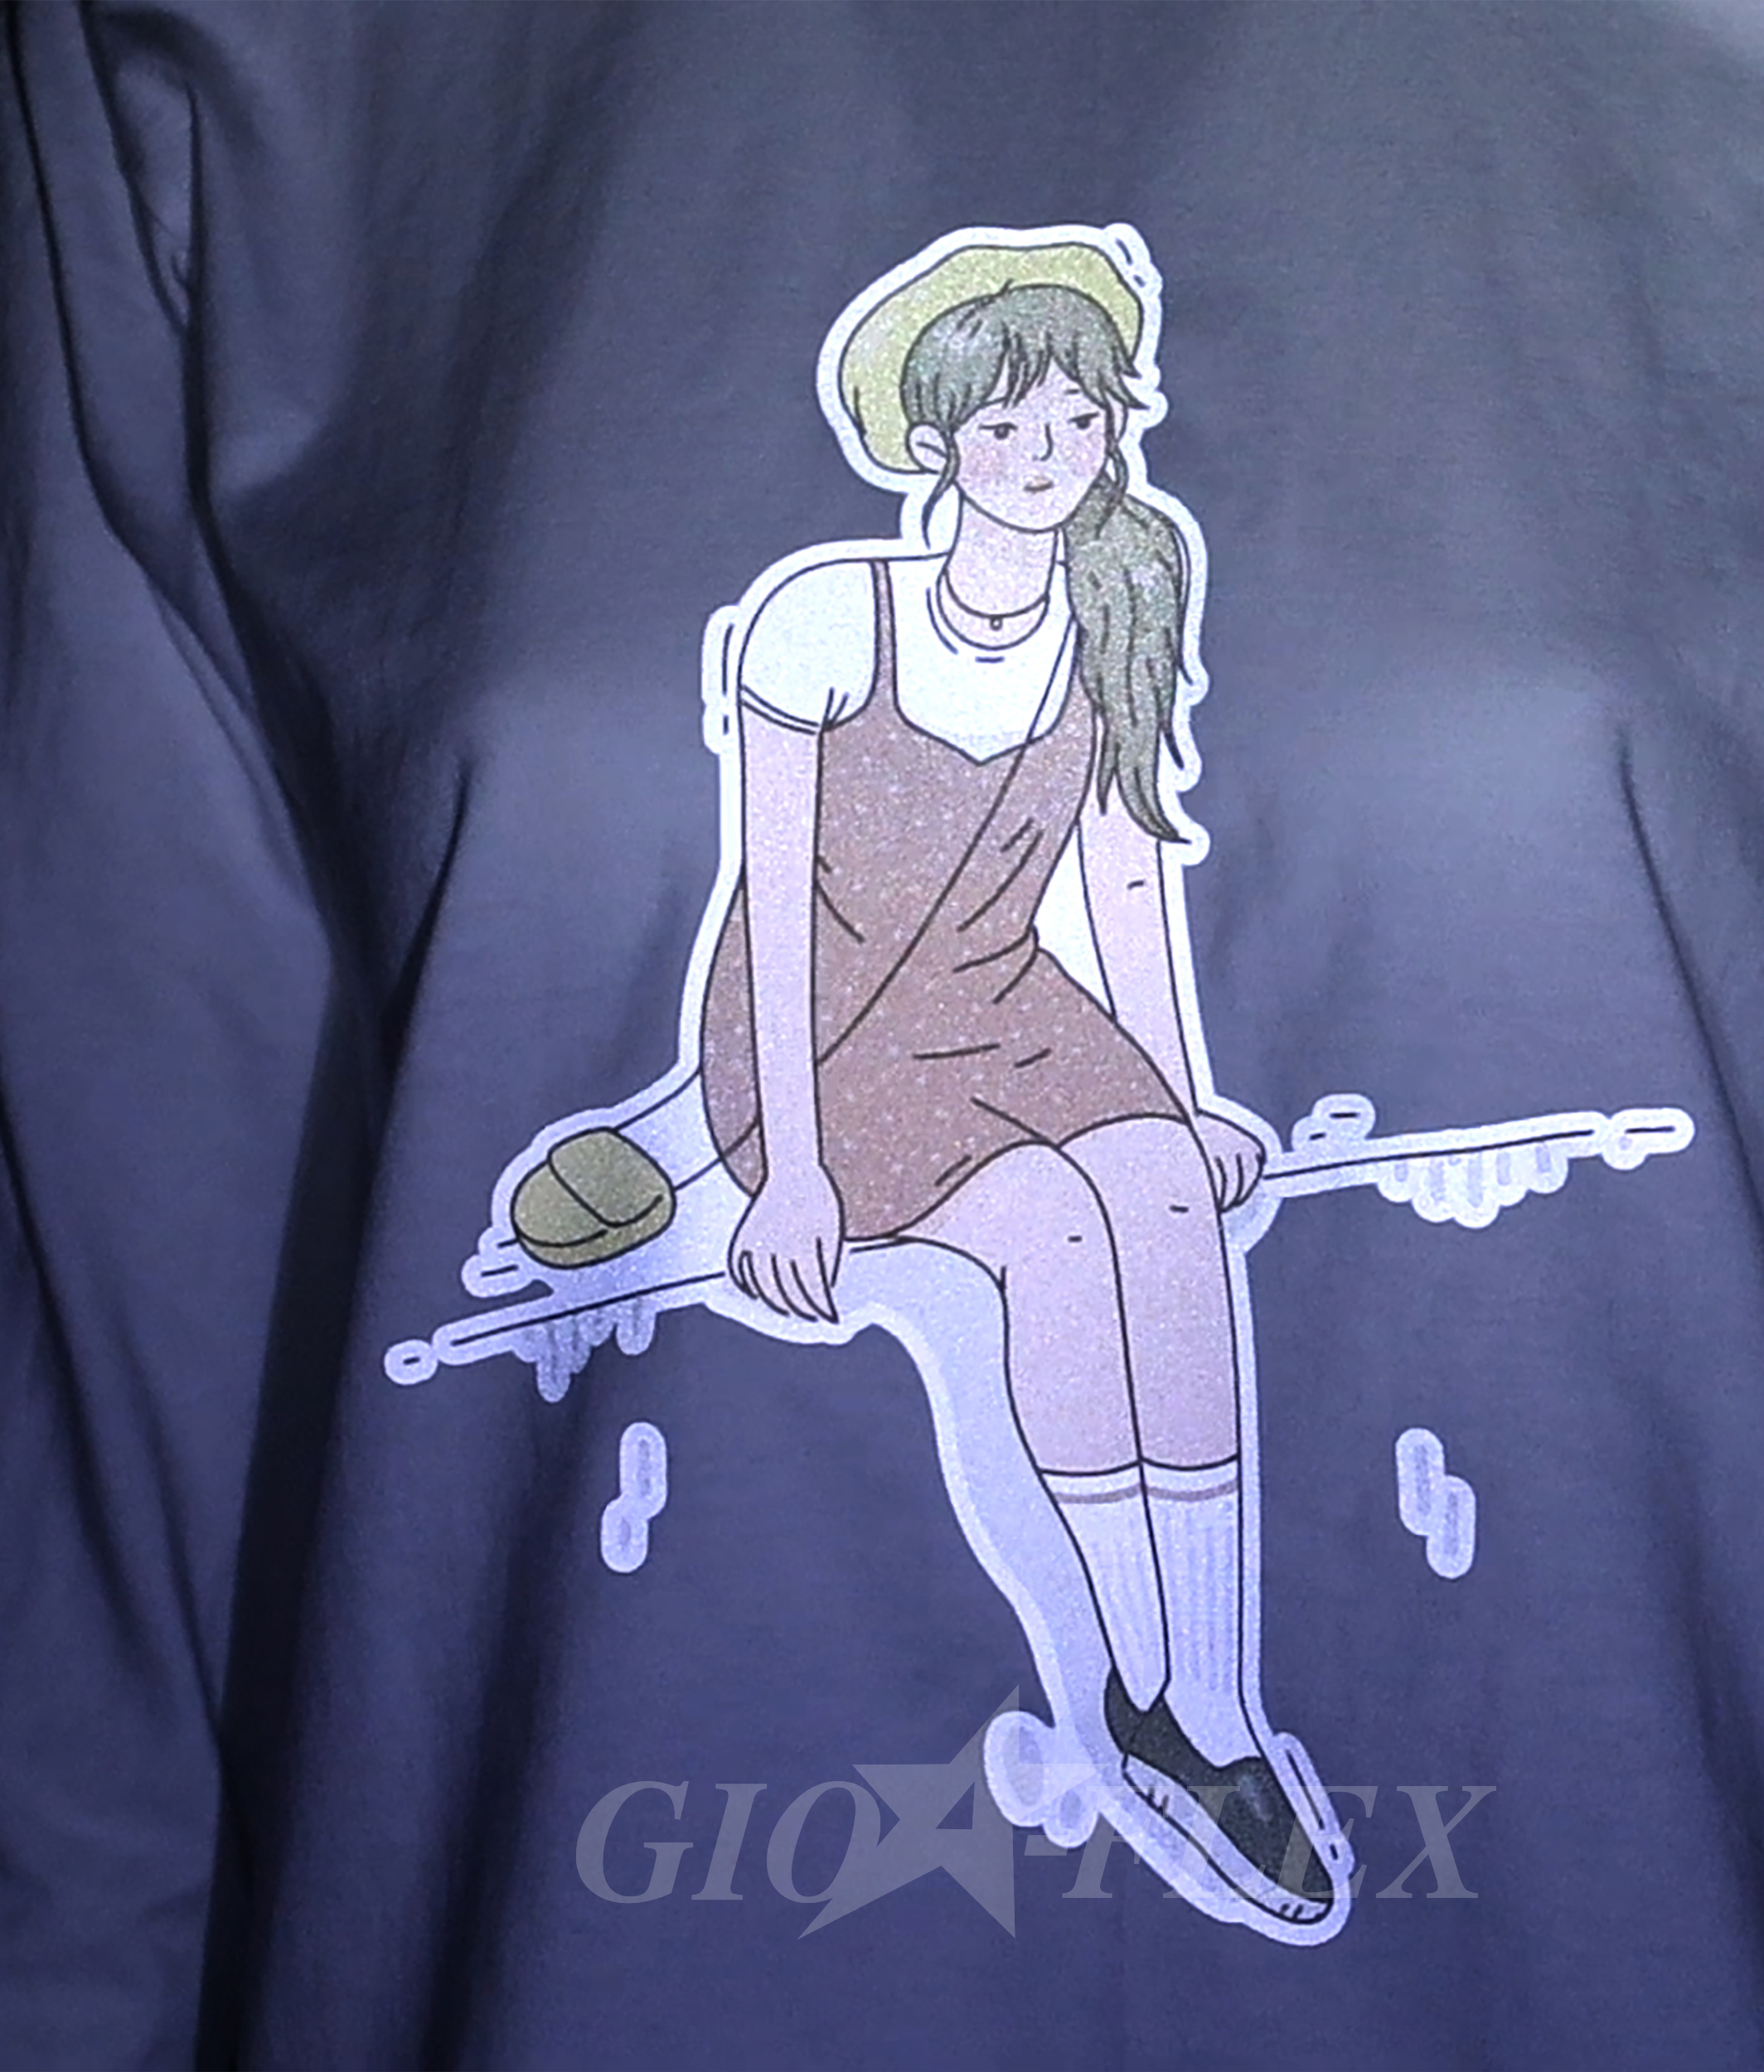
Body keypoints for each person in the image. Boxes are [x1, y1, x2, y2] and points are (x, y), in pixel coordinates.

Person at [511, 230, 1334, 1927]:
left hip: (1010, 999)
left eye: (1078, 421)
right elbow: (769, 901)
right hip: (821, 1036)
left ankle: (1214, 1696)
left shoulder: (1121, 595)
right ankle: (1140, 1687)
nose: (1049, 455)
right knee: (1052, 1230)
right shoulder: (827, 617)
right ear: (939, 443)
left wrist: (1182, 1096)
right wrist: (792, 1172)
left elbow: (1122, 869)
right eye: (1009, 427)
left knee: (1161, 1195)